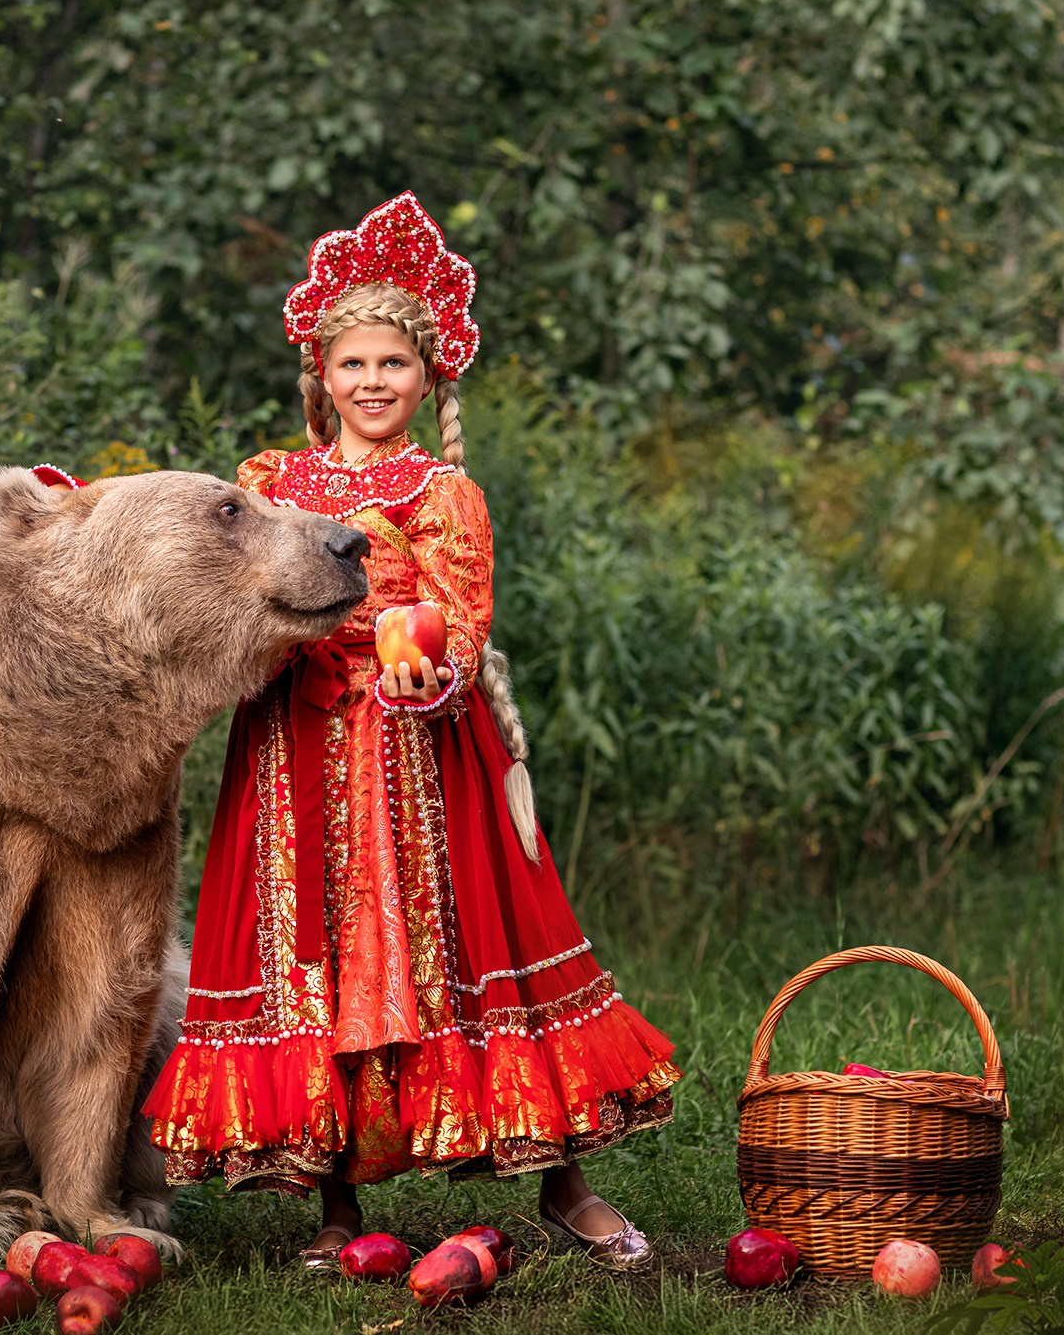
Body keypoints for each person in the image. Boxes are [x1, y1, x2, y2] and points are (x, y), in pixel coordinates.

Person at [142, 193, 682, 1269]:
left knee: (481, 956)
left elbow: (463, 621)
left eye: (393, 364)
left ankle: (560, 1184)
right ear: (320, 379)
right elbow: (235, 601)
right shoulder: (266, 485)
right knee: (319, 960)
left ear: (427, 377)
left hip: (418, 759)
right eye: (352, 365)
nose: (372, 383)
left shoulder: (444, 491)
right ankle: (337, 1211)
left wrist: (431, 674)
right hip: (293, 753)